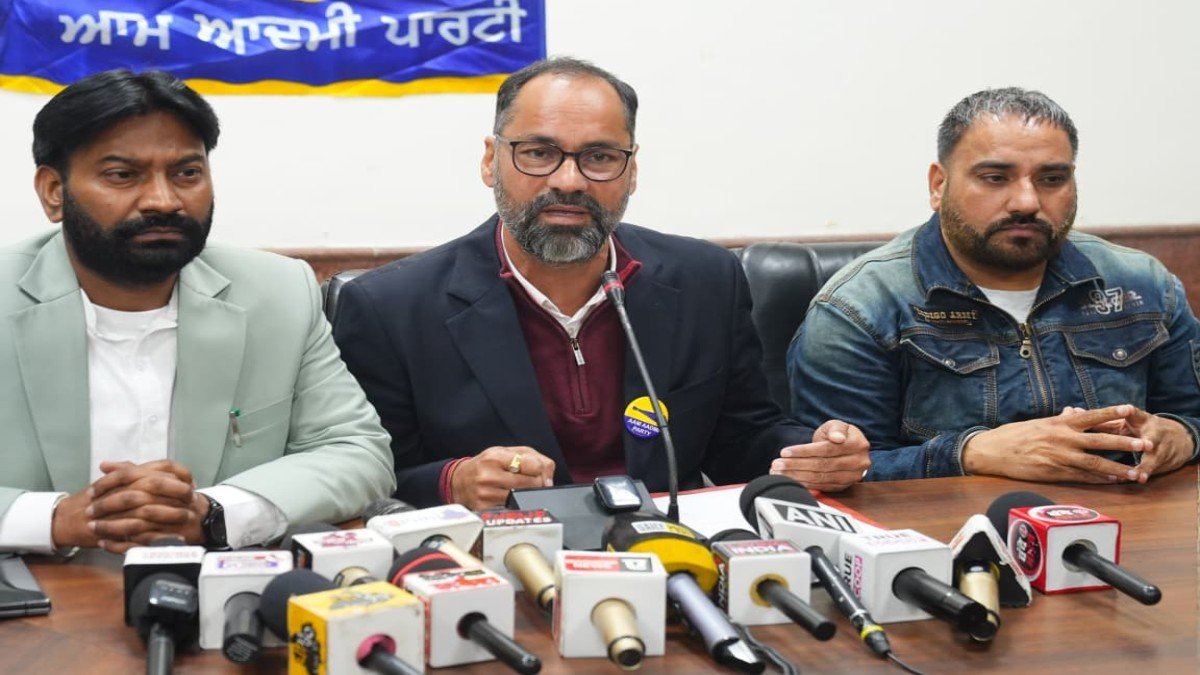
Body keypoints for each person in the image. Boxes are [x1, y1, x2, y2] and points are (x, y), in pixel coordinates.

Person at [333, 57, 869, 509]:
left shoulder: (707, 279)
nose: (568, 180)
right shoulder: (390, 307)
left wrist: (811, 454)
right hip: (504, 562)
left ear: (631, 171)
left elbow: (742, 438)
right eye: (538, 153)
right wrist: (454, 481)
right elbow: (367, 475)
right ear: (491, 160)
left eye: (600, 157)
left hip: (671, 552)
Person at [0, 69, 394, 555]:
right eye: (122, 175)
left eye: (186, 173)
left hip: (226, 585)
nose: (163, 200)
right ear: (53, 191)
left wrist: (213, 513)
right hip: (32, 589)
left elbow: (357, 451)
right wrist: (55, 519)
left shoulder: (278, 293)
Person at [788, 87, 1200, 483]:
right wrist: (968, 454)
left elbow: (1191, 416)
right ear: (939, 185)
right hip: (949, 527)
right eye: (995, 177)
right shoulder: (862, 307)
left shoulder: (1143, 285)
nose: (1027, 202)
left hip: (1129, 519)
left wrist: (1182, 436)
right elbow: (838, 474)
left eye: (1051, 179)